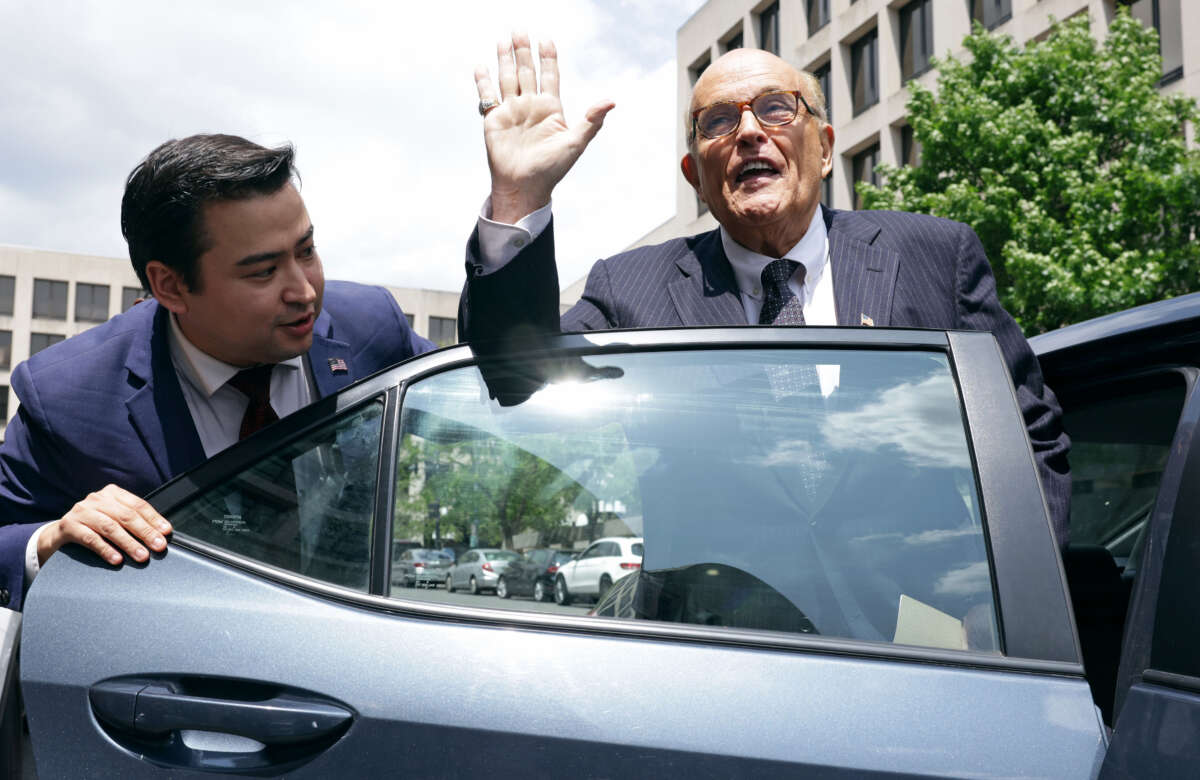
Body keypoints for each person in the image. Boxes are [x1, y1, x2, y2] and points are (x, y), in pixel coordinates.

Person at [459, 36, 1070, 546]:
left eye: (777, 109)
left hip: (922, 638)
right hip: (718, 645)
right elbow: (516, 378)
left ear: (825, 148)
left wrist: (1010, 603)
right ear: (695, 176)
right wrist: (519, 198)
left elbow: (1026, 437)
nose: (749, 132)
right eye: (718, 122)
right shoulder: (631, 290)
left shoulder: (934, 258)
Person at [0, 134, 435, 609]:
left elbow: (498, 391)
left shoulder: (370, 327)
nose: (304, 291)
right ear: (171, 285)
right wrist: (49, 541)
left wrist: (513, 207)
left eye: (306, 251)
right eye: (263, 272)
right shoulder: (67, 396)